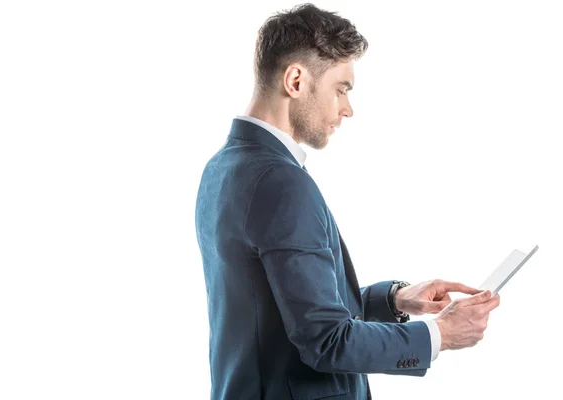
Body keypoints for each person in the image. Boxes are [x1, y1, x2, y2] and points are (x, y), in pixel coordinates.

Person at [194, 3, 500, 399]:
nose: (347, 109)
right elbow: (326, 341)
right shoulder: (280, 182)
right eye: (341, 89)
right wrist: (439, 334)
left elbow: (277, 310)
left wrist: (394, 299)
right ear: (296, 80)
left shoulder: (221, 168)